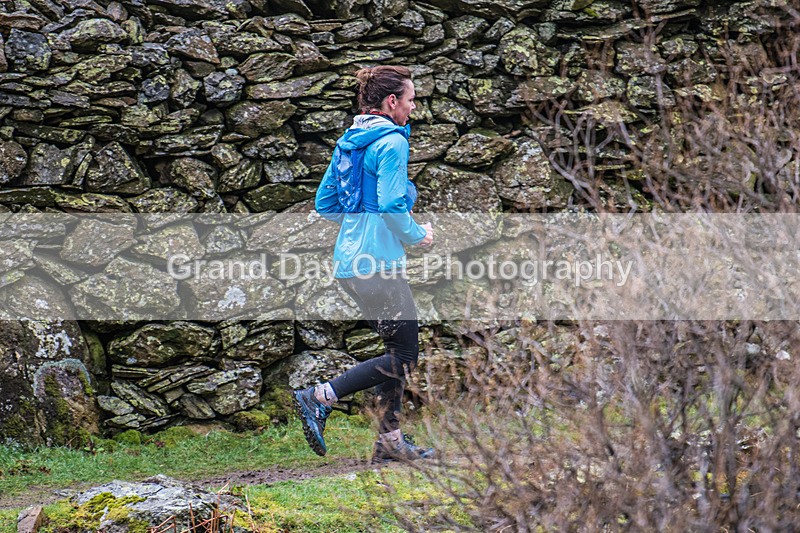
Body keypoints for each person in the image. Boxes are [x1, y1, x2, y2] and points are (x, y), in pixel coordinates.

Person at [293, 65, 435, 463]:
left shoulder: (350, 141)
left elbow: (326, 204)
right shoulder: (391, 141)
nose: (412, 107)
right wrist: (416, 234)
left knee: (397, 351)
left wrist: (361, 221)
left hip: (349, 264)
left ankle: (389, 442)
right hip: (379, 264)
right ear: (392, 102)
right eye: (410, 99)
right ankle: (320, 395)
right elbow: (391, 204)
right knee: (404, 356)